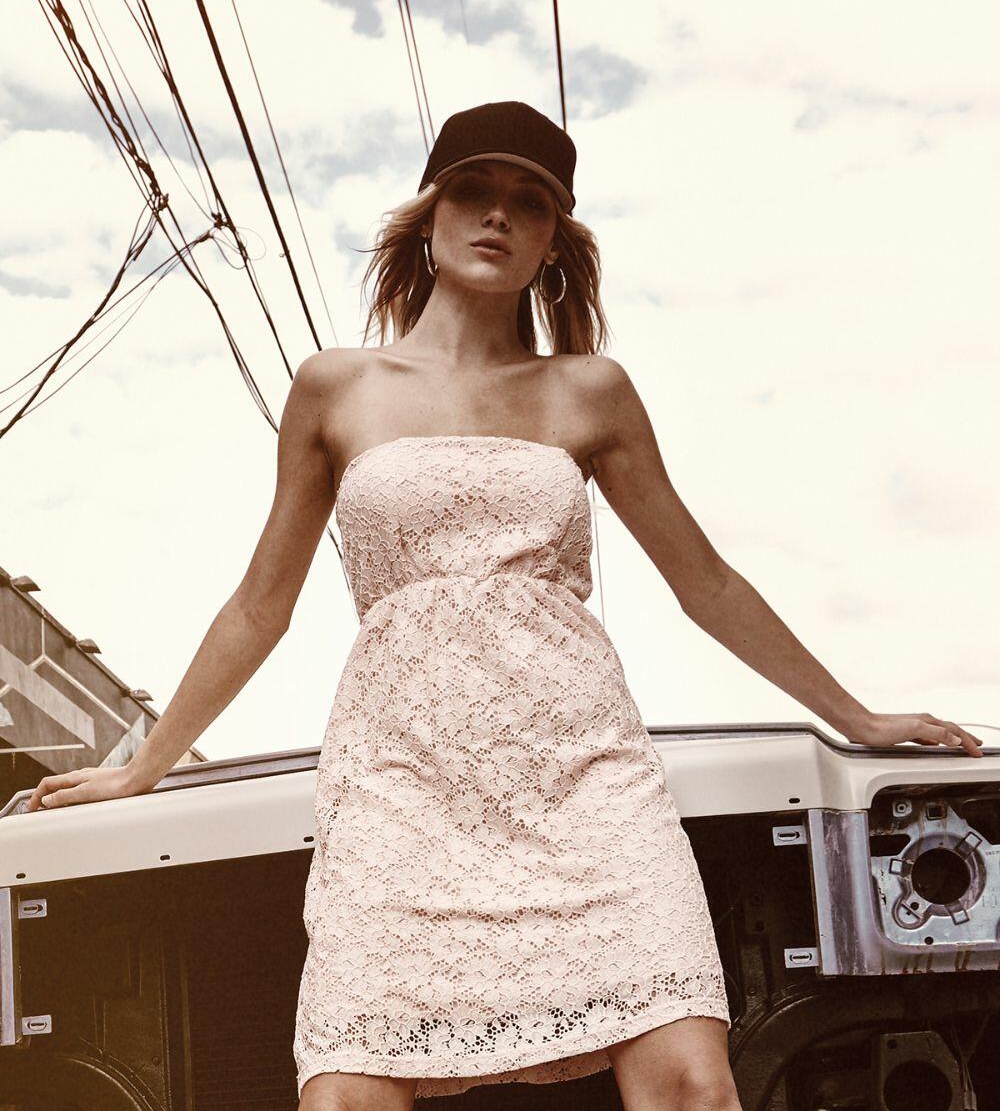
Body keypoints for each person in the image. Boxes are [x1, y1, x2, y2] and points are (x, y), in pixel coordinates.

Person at [25, 100, 985, 1111]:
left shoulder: (589, 393)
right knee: (351, 1090)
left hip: (585, 775)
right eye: (475, 192)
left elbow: (704, 580)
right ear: (430, 217)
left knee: (691, 1080)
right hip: (401, 775)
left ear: (550, 247)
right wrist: (144, 770)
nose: (497, 216)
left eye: (527, 205)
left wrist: (859, 719)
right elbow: (260, 604)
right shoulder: (336, 389)